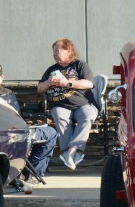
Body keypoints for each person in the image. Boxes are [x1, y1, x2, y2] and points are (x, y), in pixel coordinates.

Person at [37, 38, 97, 170]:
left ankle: (70, 151)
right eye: (53, 51)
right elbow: (39, 89)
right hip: (60, 105)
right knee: (60, 116)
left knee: (88, 116)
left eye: (57, 51)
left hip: (82, 104)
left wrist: (67, 83)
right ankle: (73, 154)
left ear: (68, 50)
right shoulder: (51, 69)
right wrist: (49, 82)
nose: (54, 54)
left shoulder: (79, 65)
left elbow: (89, 83)